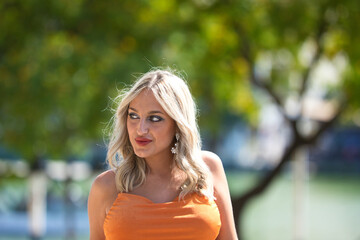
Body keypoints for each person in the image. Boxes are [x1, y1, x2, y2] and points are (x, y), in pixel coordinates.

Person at [88, 69, 238, 240]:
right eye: (134, 116)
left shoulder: (208, 168)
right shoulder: (107, 186)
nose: (140, 129)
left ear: (177, 124)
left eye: (155, 118)